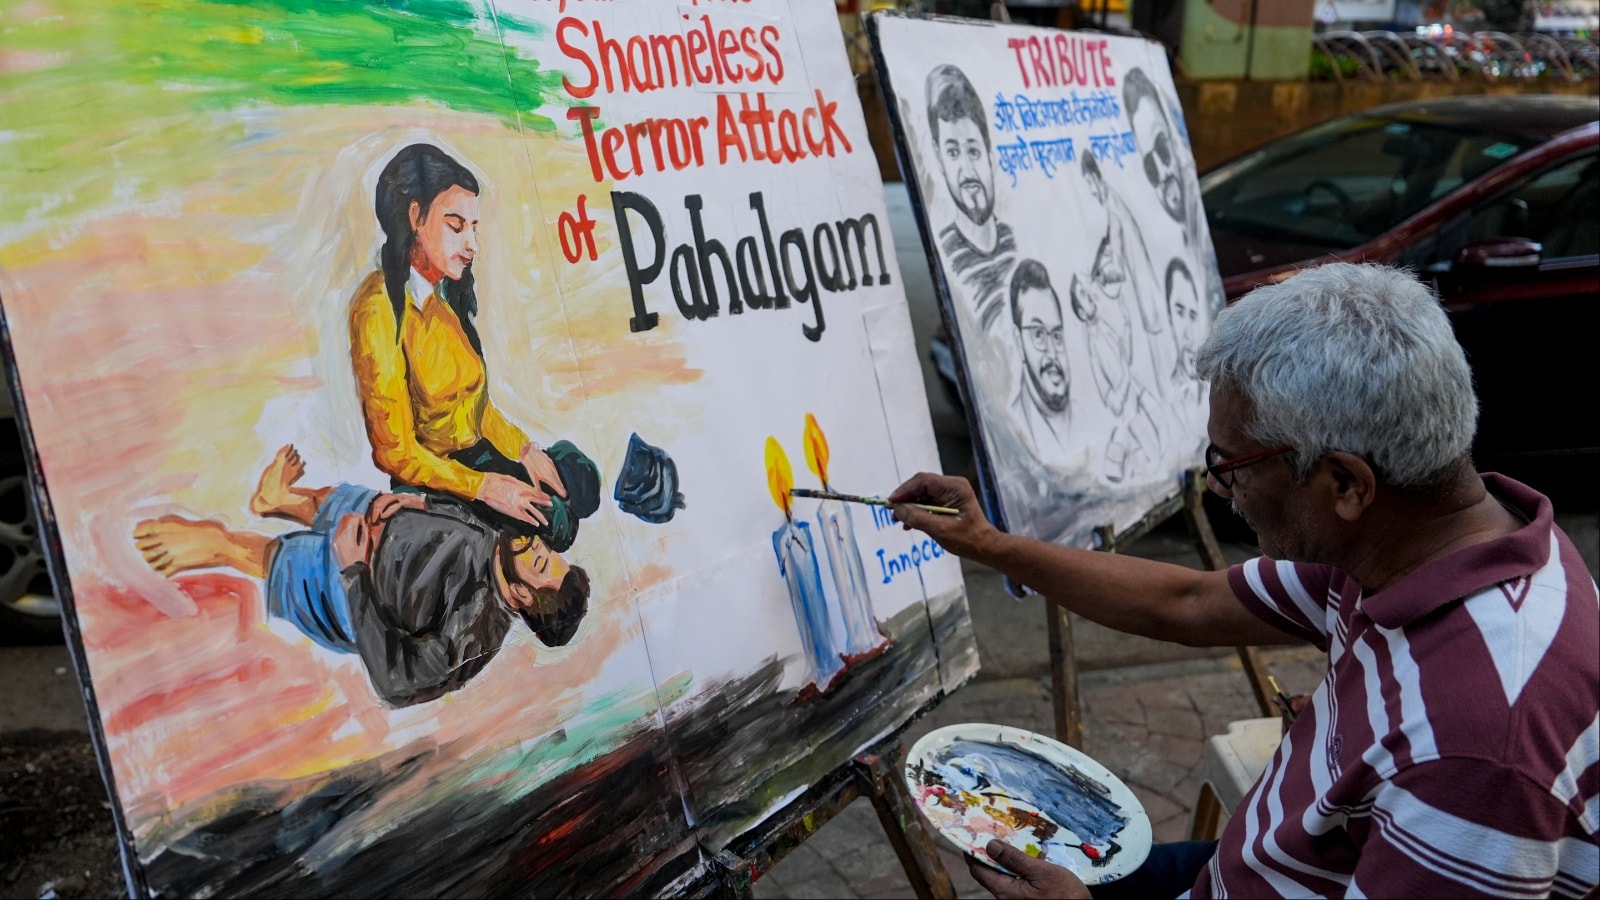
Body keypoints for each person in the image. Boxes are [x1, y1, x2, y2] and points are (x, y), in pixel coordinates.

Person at [889, 263, 1599, 899]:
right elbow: (1189, 602)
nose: (1221, 489)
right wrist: (988, 544)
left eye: (1231, 466)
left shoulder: (1479, 748)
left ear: (1346, 483)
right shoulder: (1413, 546)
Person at [133, 444, 597, 707]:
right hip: (383, 524)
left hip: (350, 586)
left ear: (522, 597)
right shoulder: (504, 544)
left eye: (540, 564)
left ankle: (214, 545)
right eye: (548, 551)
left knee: (272, 557)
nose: (537, 546)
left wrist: (354, 570)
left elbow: (397, 681)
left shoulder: (475, 634)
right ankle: (278, 501)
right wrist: (418, 503)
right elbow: (461, 517)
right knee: (333, 500)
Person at [350, 143, 566, 533]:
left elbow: (475, 408)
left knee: (571, 474)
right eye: (456, 226)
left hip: (475, 462)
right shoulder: (379, 307)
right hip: (437, 481)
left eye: (473, 228)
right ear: (415, 216)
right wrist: (486, 487)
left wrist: (523, 449)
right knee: (554, 523)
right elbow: (396, 452)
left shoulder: (443, 300)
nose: (472, 246)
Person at [926, 64, 1017, 335]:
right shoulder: (948, 259)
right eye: (953, 153)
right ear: (939, 160)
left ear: (990, 156)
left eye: (973, 151)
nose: (967, 171)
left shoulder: (1016, 241)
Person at [1007, 260, 1071, 459]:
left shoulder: (1087, 414)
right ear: (1019, 341)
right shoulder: (1010, 431)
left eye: (1056, 335)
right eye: (1038, 335)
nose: (1052, 353)